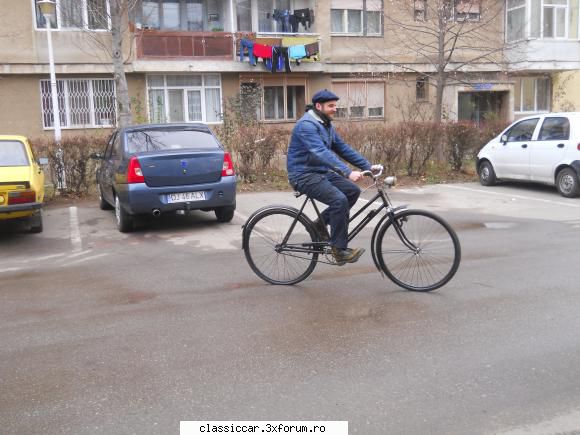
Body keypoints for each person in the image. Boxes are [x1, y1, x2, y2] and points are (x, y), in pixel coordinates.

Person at [287, 89, 373, 265]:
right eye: (331, 106)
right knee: (339, 200)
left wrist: (368, 166)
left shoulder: (326, 124)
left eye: (335, 105)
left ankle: (319, 224)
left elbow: (342, 148)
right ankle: (339, 249)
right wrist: (348, 172)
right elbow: (320, 152)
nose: (335, 109)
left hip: (320, 172)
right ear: (319, 106)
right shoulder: (307, 125)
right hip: (303, 175)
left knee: (352, 192)